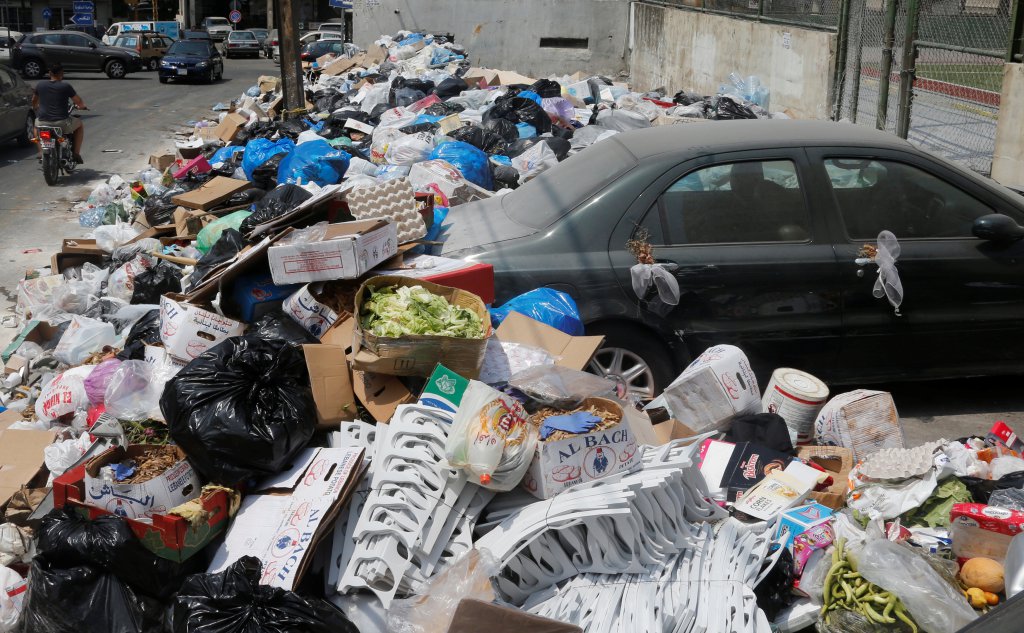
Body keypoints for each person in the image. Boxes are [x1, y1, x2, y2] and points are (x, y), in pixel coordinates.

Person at [32, 62, 87, 164]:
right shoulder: (65, 86)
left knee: (36, 126)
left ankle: (40, 151)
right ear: (62, 74)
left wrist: (36, 107)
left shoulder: (40, 85)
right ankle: (76, 153)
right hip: (61, 123)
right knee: (79, 125)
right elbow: (78, 101)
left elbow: (34, 101)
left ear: (49, 73)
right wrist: (82, 106)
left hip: (43, 122)